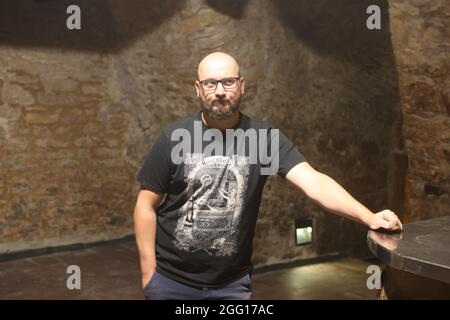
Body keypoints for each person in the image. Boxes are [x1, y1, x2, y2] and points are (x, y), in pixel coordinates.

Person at [133, 52, 403, 300]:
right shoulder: (173, 138)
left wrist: (369, 216)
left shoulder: (262, 139)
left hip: (231, 286)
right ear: (198, 88)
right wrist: (149, 273)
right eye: (210, 83)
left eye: (227, 82)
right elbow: (146, 205)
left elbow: (314, 181)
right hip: (171, 283)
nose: (219, 92)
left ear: (241, 85)